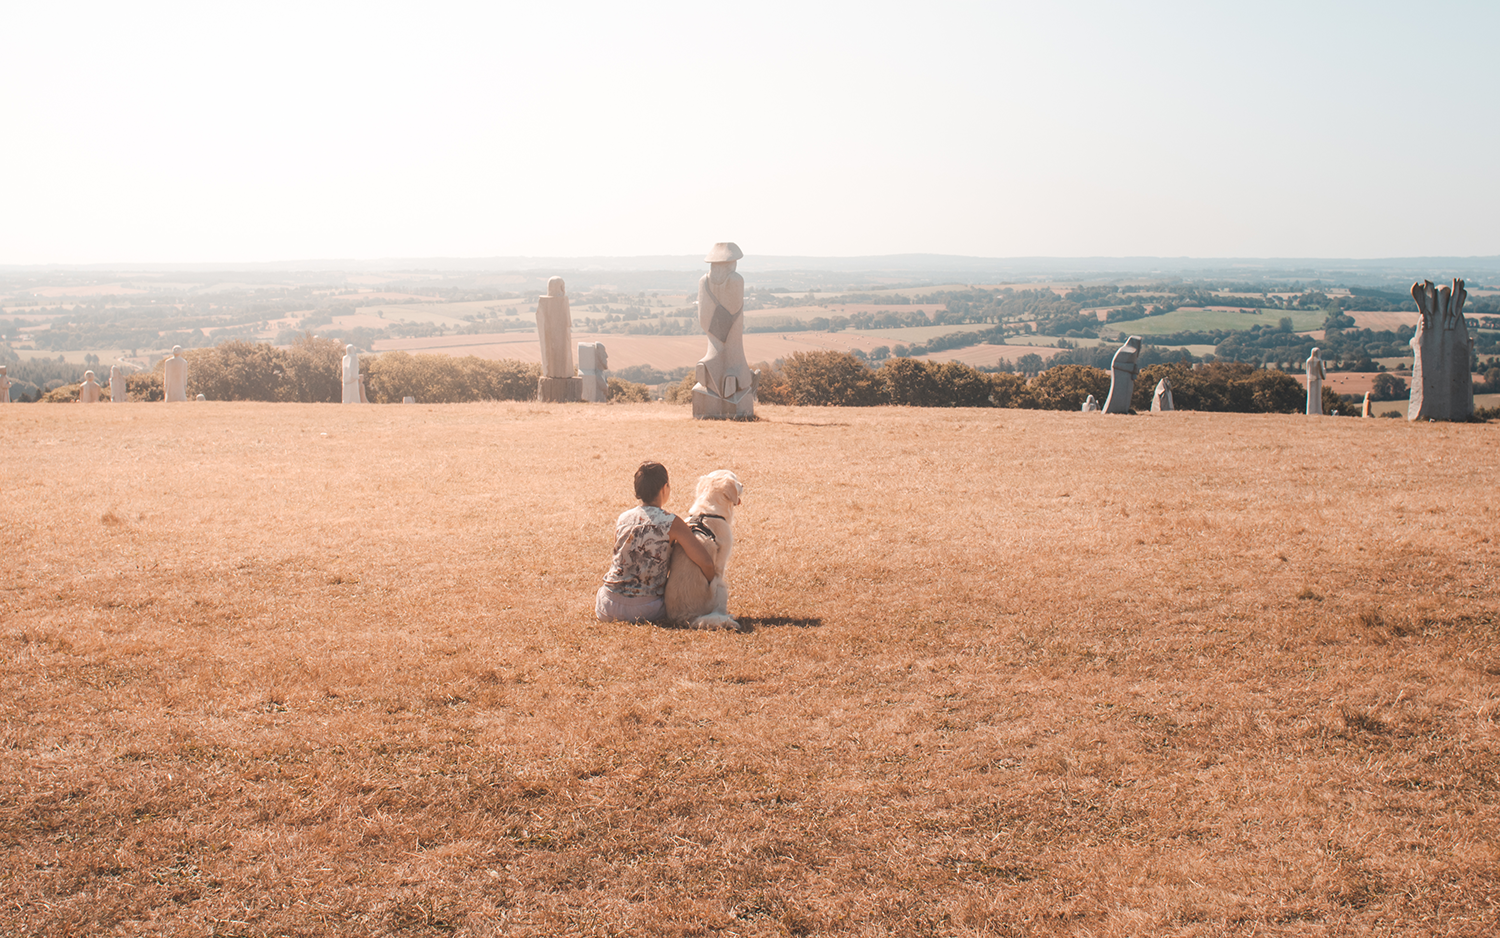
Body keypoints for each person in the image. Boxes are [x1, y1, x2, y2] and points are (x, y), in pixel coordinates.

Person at [596, 461, 718, 622]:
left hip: (608, 605)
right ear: (664, 488)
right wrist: (712, 587)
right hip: (647, 609)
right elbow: (706, 563)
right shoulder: (672, 522)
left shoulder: (623, 518)